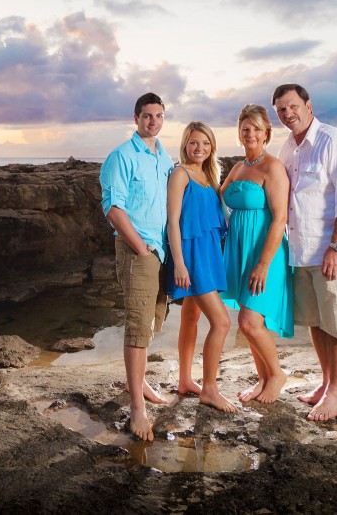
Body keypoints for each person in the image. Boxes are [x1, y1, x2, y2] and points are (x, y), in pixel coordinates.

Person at [272, 83, 337, 421]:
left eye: (293, 106)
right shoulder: (287, 148)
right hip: (302, 253)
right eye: (281, 110)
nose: (288, 114)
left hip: (333, 252)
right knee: (317, 321)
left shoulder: (335, 142)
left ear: (308, 105)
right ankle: (326, 383)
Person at [99, 92, 175, 440]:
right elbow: (113, 208)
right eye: (147, 116)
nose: (153, 121)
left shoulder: (163, 157)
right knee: (137, 326)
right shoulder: (121, 157)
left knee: (153, 320)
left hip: (161, 251)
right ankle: (137, 409)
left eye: (158, 116)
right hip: (139, 251)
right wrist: (141, 249)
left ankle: (140, 382)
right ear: (136, 118)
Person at [220, 104, 293, 404]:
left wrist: (263, 264)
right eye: (245, 129)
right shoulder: (238, 168)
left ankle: (276, 375)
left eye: (256, 129)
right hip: (240, 250)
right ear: (239, 132)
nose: (250, 134)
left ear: (266, 134)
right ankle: (262, 379)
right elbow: (217, 197)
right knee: (251, 323)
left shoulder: (273, 167)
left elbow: (279, 218)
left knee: (249, 321)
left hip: (265, 254)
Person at [166, 121, 235, 413]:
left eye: (206, 144)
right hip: (191, 258)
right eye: (194, 143)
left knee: (191, 319)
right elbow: (172, 222)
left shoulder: (210, 177)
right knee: (222, 322)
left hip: (209, 254)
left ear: (212, 148)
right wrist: (179, 264)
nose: (200, 149)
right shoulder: (180, 174)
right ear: (185, 144)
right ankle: (209, 388)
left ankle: (184, 380)